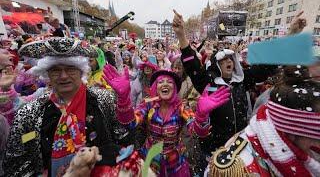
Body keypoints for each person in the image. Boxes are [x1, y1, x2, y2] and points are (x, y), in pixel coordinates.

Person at [4, 38, 134, 176]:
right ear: (47, 73)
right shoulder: (29, 114)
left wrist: (124, 102)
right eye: (55, 70)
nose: (63, 76)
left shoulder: (103, 100)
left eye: (71, 69)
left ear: (81, 71)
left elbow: (126, 140)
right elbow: (15, 166)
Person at [172, 9, 277, 173]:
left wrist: (291, 35)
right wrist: (181, 36)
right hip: (213, 149)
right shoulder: (208, 83)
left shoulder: (241, 81)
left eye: (230, 59)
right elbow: (192, 65)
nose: (229, 62)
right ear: (216, 65)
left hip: (240, 148)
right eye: (223, 60)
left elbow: (265, 68)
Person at [102, 64, 231, 176]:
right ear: (155, 88)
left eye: (169, 82)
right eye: (160, 82)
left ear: (175, 88)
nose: (165, 84)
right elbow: (130, 123)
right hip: (149, 159)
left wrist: (202, 115)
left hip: (175, 164)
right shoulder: (147, 104)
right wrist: (123, 98)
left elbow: (197, 132)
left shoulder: (181, 107)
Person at [205, 66, 320, 176]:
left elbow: (257, 73)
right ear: (293, 128)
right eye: (315, 134)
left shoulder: (240, 81)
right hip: (223, 139)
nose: (317, 142)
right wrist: (202, 121)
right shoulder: (238, 169)